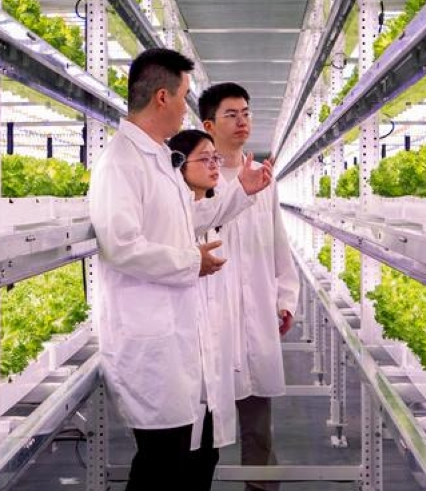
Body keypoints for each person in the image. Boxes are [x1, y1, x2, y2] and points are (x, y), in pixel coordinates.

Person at [87, 49, 273, 491]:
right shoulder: (121, 163)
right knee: (159, 467)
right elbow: (121, 245)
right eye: (186, 96)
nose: (188, 107)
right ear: (163, 98)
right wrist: (194, 262)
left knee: (188, 459)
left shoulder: (157, 159)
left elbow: (184, 220)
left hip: (177, 341)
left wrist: (238, 193)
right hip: (150, 345)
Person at [199, 83, 300, 491]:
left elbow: (279, 244)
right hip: (209, 319)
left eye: (246, 113)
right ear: (208, 124)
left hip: (256, 313)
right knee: (202, 432)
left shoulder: (265, 180)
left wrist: (285, 299)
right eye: (231, 115)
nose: (243, 122)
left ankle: (260, 490)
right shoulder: (194, 179)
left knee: (258, 428)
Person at [167, 129, 240, 488]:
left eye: (216, 158)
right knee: (171, 464)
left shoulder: (211, 225)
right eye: (205, 158)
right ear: (179, 166)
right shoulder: (171, 219)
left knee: (206, 456)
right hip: (178, 364)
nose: (214, 165)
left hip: (209, 365)